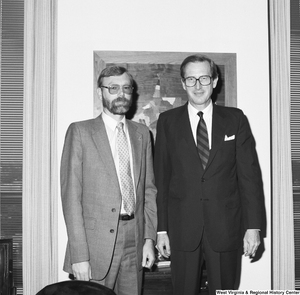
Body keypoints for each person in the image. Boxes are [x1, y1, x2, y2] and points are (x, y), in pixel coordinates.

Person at [154, 54, 265, 295]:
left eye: (204, 78)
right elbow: (161, 180)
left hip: (225, 229)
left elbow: (250, 178)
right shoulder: (167, 122)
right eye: (191, 79)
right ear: (183, 84)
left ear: (214, 81)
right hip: (182, 231)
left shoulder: (235, 119)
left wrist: (253, 226)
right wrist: (161, 230)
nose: (197, 85)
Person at [60, 66, 157, 295]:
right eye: (113, 88)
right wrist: (79, 255)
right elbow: (71, 198)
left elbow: (149, 191)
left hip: (135, 237)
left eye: (126, 88)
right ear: (100, 93)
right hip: (96, 245)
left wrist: (149, 239)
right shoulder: (80, 132)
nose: (120, 94)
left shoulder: (142, 134)